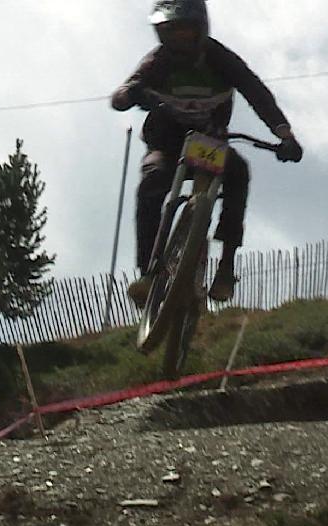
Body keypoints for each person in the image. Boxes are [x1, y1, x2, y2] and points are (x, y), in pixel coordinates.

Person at [113, 0, 303, 307]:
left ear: (201, 29)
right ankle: (147, 274)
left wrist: (284, 134)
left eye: (186, 32)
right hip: (166, 143)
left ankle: (226, 266)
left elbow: (257, 93)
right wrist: (130, 94)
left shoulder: (220, 59)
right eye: (171, 33)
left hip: (205, 142)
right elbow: (122, 93)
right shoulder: (157, 62)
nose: (179, 40)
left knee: (238, 172)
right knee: (152, 180)